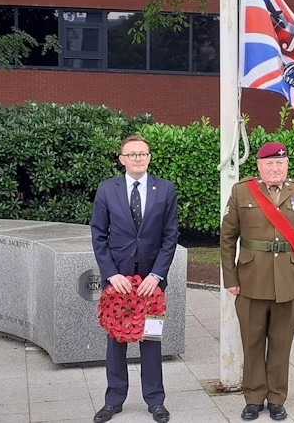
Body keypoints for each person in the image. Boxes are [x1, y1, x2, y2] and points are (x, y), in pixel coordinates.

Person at [220, 142, 294, 421]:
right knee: (251, 342)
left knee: (281, 343)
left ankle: (276, 398)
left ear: (286, 164)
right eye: (269, 163)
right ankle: (253, 398)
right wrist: (230, 277)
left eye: (280, 163)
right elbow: (227, 239)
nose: (275, 168)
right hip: (251, 279)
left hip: (289, 280)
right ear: (259, 166)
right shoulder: (242, 191)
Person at [90, 135, 178, 423]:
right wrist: (111, 274)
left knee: (151, 340)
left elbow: (170, 236)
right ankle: (114, 399)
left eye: (143, 153)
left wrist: (157, 274)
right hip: (118, 281)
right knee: (116, 341)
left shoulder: (164, 189)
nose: (138, 158)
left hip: (152, 283)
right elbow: (98, 234)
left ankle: (155, 401)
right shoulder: (107, 189)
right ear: (122, 159)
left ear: (149, 157)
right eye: (132, 154)